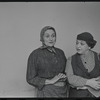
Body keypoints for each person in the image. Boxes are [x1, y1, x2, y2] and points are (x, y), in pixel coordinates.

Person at [26, 26, 67, 98]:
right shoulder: (35, 54)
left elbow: (66, 71)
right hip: (46, 92)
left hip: (63, 91)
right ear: (42, 38)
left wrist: (64, 76)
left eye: (53, 36)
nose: (51, 39)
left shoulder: (60, 53)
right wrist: (50, 81)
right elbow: (30, 78)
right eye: (47, 36)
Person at [65, 32, 100, 97]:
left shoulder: (98, 57)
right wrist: (89, 83)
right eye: (77, 43)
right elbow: (70, 78)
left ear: (89, 46)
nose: (78, 46)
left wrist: (82, 86)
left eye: (82, 44)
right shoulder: (71, 59)